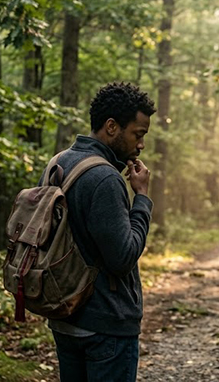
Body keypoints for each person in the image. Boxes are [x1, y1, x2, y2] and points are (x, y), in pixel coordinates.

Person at [46, 82, 156, 381]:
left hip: (65, 318)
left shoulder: (59, 162)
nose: (141, 144)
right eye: (138, 133)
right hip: (105, 326)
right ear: (111, 126)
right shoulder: (104, 178)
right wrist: (142, 198)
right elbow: (122, 257)